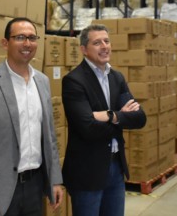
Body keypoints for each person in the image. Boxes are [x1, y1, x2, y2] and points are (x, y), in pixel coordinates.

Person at [0, 17, 64, 216]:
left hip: (35, 186)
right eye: (20, 37)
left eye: (32, 38)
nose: (27, 44)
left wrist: (54, 180)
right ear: (5, 43)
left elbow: (50, 137)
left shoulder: (42, 82)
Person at [62, 24, 147, 216]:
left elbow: (140, 118)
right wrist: (121, 118)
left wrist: (110, 116)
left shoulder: (117, 78)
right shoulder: (74, 81)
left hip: (116, 167)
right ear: (84, 49)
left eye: (107, 41)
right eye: (97, 43)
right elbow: (87, 128)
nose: (104, 46)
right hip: (88, 171)